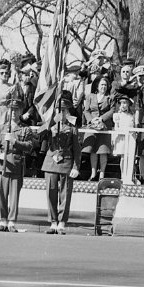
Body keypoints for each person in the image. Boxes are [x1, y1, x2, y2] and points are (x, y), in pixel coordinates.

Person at [38, 94, 82, 234]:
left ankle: (62, 222)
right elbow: (39, 135)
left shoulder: (72, 127)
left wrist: (76, 166)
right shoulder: (50, 124)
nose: (61, 113)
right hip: (51, 160)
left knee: (65, 193)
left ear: (68, 111)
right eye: (59, 110)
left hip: (66, 161)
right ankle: (53, 222)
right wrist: (49, 125)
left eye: (64, 110)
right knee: (50, 192)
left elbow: (77, 149)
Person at [0, 90, 37, 233]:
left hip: (16, 163)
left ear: (20, 111)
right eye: (11, 110)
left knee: (14, 195)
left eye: (16, 110)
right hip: (2, 164)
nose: (13, 113)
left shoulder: (25, 129)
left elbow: (30, 146)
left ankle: (11, 221)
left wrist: (15, 141)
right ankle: (2, 220)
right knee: (1, 193)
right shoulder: (2, 127)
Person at [81, 76, 114, 182]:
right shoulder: (90, 96)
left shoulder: (110, 97)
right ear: (97, 86)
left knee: (103, 150)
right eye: (101, 85)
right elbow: (86, 111)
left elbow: (113, 110)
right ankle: (93, 173)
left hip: (104, 126)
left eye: (105, 85)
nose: (103, 87)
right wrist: (92, 120)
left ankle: (102, 174)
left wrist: (102, 118)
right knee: (93, 150)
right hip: (92, 125)